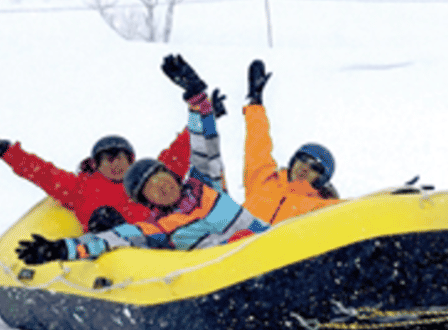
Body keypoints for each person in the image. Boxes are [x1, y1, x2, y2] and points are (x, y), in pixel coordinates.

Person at [15, 55, 269, 265]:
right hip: (233, 271)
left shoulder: (204, 184)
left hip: (268, 248)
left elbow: (203, 144)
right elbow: (111, 239)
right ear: (148, 202)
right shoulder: (158, 228)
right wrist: (60, 249)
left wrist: (196, 96)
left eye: (160, 177)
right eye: (151, 188)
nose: (161, 186)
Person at [0, 123, 190, 233]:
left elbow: (181, 151)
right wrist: (4, 150)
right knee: (105, 217)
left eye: (121, 158)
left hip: (159, 241)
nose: (116, 164)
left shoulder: (149, 178)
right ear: (97, 164)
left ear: (131, 160)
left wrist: (201, 111)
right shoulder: (80, 188)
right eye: (108, 159)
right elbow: (41, 172)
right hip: (113, 255)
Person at [239, 59, 342, 224]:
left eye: (315, 168)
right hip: (231, 240)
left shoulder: (323, 209)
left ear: (322, 180)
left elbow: (363, 209)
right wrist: (255, 105)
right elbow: (257, 144)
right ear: (293, 161)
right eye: (303, 159)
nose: (305, 168)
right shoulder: (263, 181)